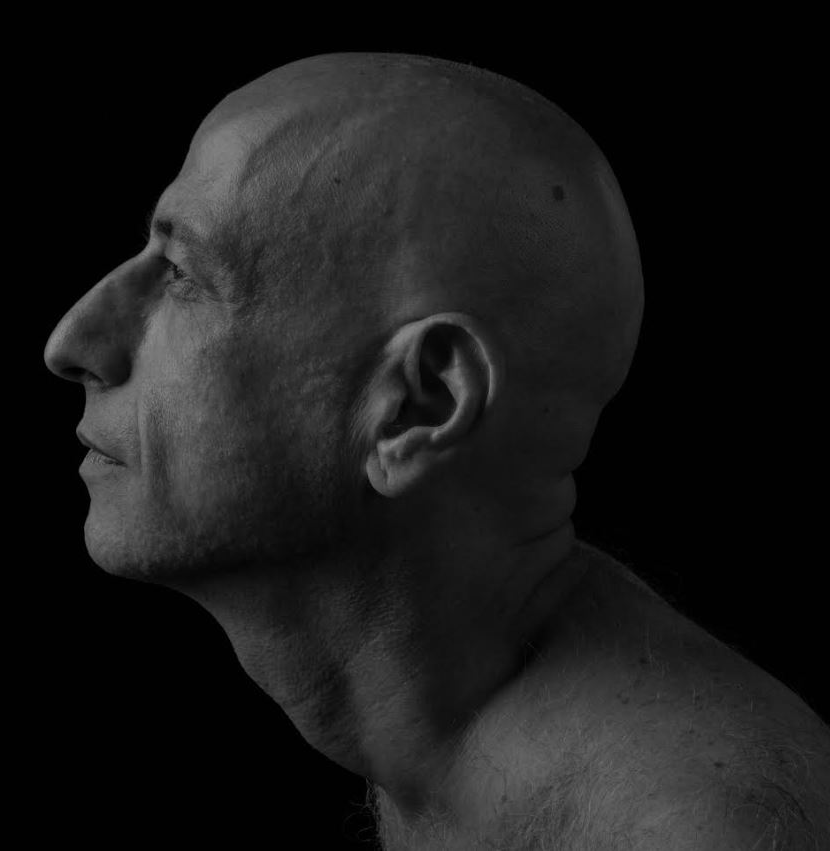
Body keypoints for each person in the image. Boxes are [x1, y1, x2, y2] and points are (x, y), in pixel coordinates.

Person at [43, 52, 829, 849]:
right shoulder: (454, 721)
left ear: (419, 406)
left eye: (182, 274)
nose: (73, 343)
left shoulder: (692, 830)